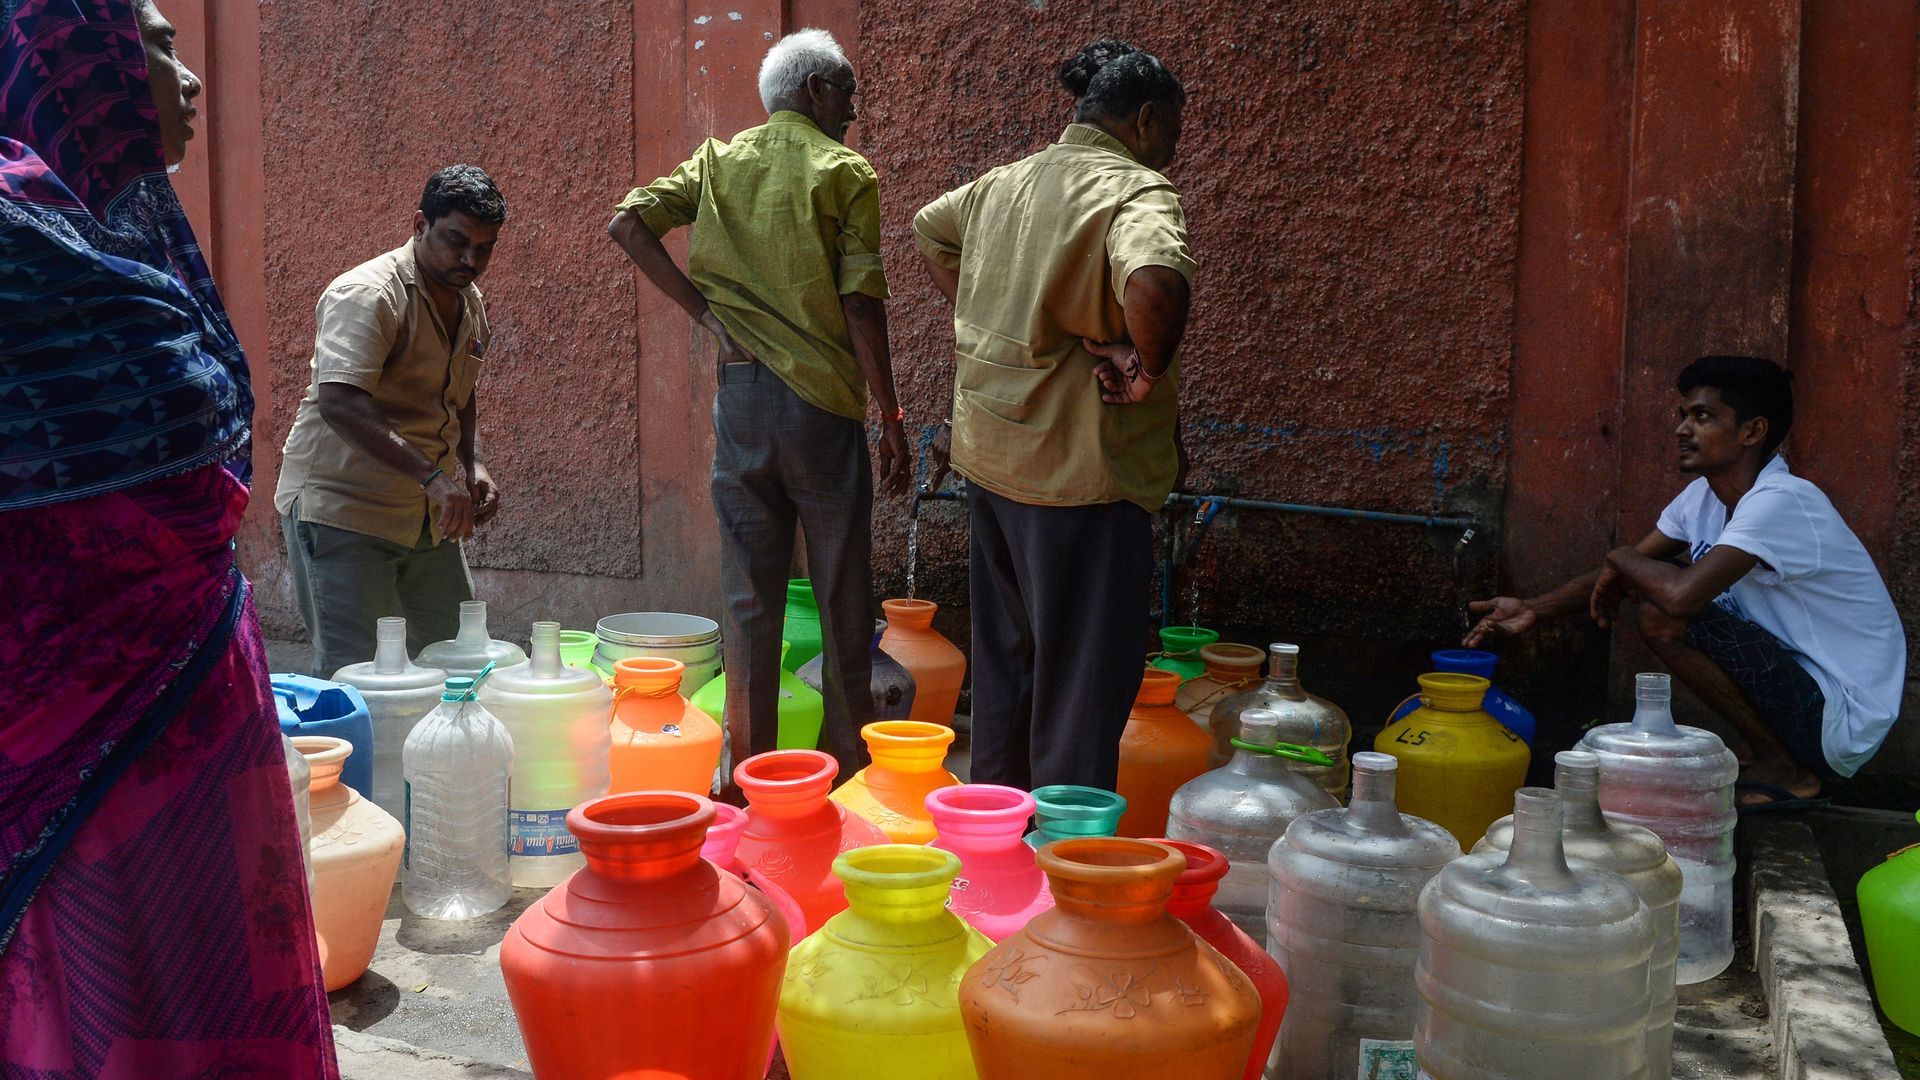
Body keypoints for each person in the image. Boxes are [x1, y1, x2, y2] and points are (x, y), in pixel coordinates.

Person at [0, 0, 336, 1074]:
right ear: (72, 63)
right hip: (77, 775)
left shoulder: (127, 244)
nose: (188, 80)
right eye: (154, 44)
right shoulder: (18, 254)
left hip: (200, 734)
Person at [608, 29, 909, 786]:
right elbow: (861, 304)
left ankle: (751, 782)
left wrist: (706, 317)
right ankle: (846, 776)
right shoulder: (845, 170)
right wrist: (893, 417)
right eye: (845, 91)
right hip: (821, 409)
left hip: (740, 404)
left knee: (749, 604)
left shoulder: (717, 162)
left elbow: (628, 222)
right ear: (812, 92)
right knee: (843, 596)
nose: (853, 108)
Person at [913, 44, 1195, 791]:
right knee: (1082, 685)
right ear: (1143, 120)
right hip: (1083, 477)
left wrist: (993, 313)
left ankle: (996, 839)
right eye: (1171, 133)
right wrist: (1146, 364)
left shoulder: (1006, 184)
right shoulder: (1135, 191)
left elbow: (929, 229)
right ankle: (1065, 867)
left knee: (1009, 669)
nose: (1173, 152)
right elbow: (1158, 285)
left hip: (994, 463)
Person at [1466, 356, 1907, 804]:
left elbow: (1676, 596)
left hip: (1839, 717)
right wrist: (1533, 609)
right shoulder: (1704, 497)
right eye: (1684, 416)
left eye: (1703, 416)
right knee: (1660, 585)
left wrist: (1619, 555)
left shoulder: (1783, 501)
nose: (1682, 429)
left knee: (1666, 609)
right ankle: (1774, 757)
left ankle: (1787, 772)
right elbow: (1623, 574)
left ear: (1752, 432)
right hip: (1801, 695)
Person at [274, 165, 508, 677]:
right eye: (456, 241)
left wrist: (473, 465)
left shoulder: (468, 301)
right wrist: (435, 478)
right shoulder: (368, 294)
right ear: (420, 224)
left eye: (485, 248)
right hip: (344, 511)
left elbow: (460, 391)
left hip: (427, 514)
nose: (470, 260)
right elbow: (340, 402)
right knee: (361, 678)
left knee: (462, 664)